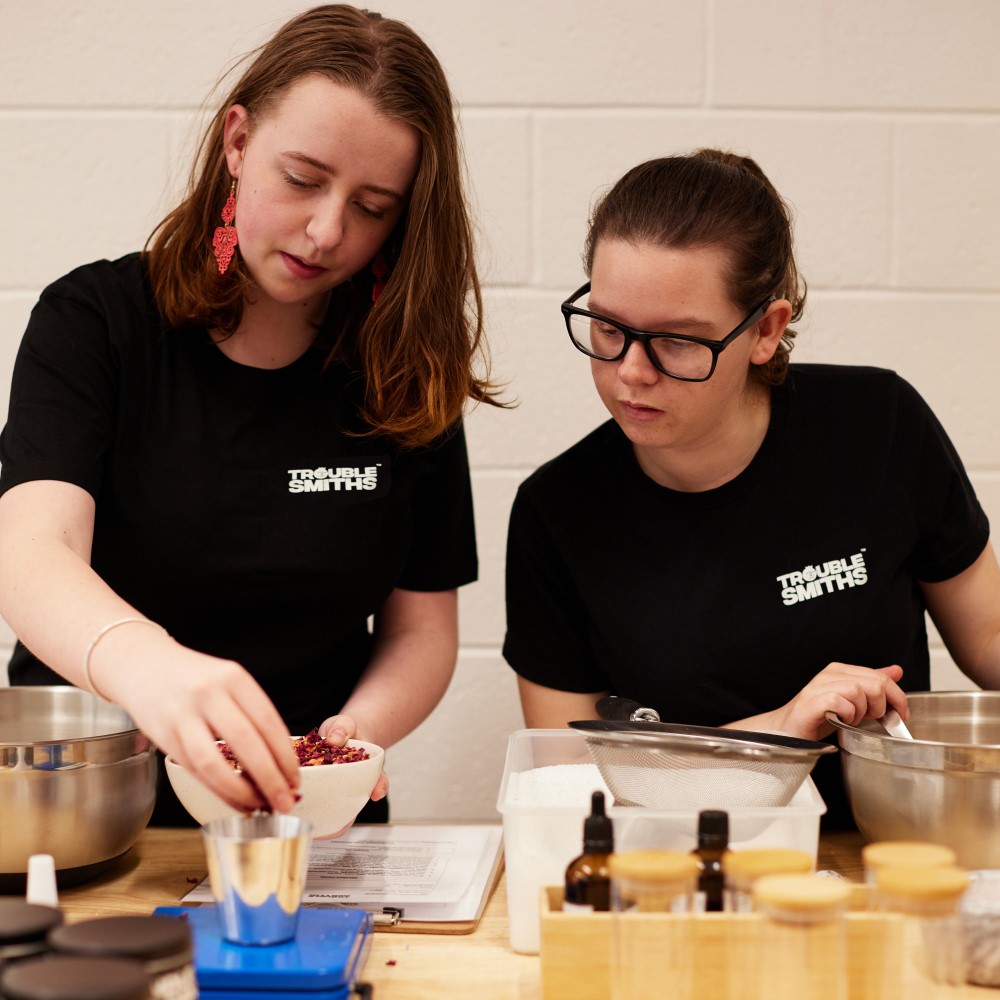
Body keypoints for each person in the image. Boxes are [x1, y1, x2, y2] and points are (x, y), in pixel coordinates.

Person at [0, 4, 501, 826]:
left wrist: (351, 738)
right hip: (94, 812)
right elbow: (31, 553)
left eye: (374, 206)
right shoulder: (96, 321)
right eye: (302, 179)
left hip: (314, 818)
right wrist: (151, 669)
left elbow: (422, 630)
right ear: (237, 142)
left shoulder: (401, 367)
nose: (328, 230)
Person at [502, 149, 1000, 827]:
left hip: (890, 855)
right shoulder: (555, 513)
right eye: (610, 328)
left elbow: (989, 638)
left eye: (677, 341)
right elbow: (569, 788)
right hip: (685, 871)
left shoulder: (880, 426)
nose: (631, 373)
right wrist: (783, 729)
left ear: (764, 330)